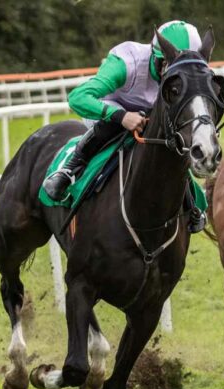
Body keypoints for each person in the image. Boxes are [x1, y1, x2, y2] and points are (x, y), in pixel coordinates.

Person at [42, 20, 207, 232]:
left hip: (152, 116)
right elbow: (77, 97)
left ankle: (191, 201)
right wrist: (121, 116)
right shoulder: (126, 62)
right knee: (113, 126)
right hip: (111, 111)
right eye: (170, 66)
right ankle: (69, 169)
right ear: (158, 57)